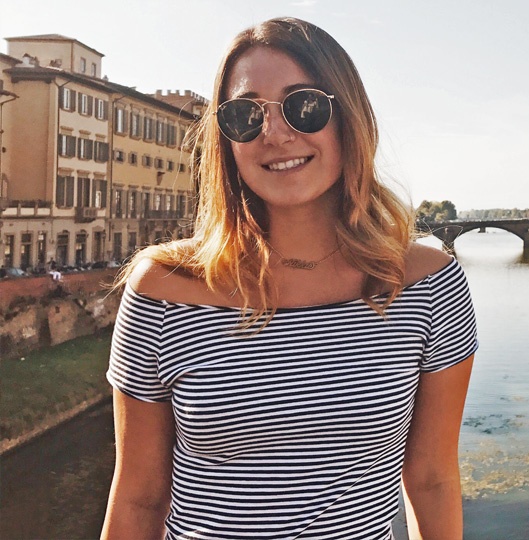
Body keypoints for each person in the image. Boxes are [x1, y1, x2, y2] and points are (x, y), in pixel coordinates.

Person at [101, 17, 477, 540]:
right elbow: (139, 497)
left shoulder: (424, 285)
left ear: (348, 119)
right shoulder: (164, 287)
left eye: (304, 105)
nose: (275, 133)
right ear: (226, 139)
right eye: (245, 115)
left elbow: (433, 480)